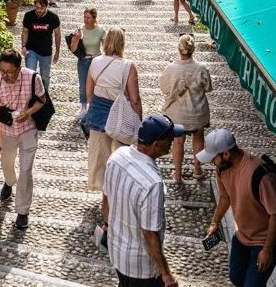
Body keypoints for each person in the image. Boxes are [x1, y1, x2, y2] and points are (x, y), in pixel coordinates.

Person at [101, 115, 184, 287]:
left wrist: (108, 225)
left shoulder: (117, 157)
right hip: (140, 265)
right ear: (156, 144)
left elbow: (106, 199)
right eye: (169, 137)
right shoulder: (152, 183)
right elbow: (150, 233)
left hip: (117, 253)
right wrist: (166, 274)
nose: (172, 140)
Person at [202, 130, 276, 287]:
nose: (211, 162)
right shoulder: (221, 169)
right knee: (236, 277)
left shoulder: (260, 175)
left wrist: (268, 250)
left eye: (213, 158)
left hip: (265, 240)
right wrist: (215, 222)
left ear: (226, 154)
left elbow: (275, 214)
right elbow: (224, 197)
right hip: (243, 235)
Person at [0, 49, 45, 229]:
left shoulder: (32, 78)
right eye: (1, 70)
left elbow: (42, 100)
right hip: (6, 130)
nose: (4, 75)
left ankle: (22, 211)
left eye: (9, 71)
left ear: (19, 68)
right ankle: (8, 181)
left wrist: (28, 112)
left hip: (28, 130)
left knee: (26, 170)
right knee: (6, 162)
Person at [84, 27, 142, 191]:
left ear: (106, 41)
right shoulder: (128, 66)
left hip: (98, 116)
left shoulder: (95, 62)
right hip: (120, 117)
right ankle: (118, 189)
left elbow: (89, 93)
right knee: (122, 156)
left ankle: (104, 193)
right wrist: (138, 120)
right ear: (123, 43)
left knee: (100, 156)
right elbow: (135, 99)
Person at [158, 36, 213, 182]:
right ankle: (197, 169)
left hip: (178, 115)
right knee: (198, 137)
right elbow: (208, 88)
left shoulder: (171, 69)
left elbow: (164, 88)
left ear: (179, 49)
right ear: (193, 50)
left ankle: (177, 174)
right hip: (198, 113)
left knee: (178, 141)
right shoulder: (201, 68)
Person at [20, 0, 61, 91]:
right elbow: (25, 31)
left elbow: (58, 34)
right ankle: (31, 97)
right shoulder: (29, 16)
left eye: (41, 8)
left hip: (46, 52)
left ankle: (44, 98)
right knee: (30, 75)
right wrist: (23, 46)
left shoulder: (53, 17)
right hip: (31, 50)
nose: (39, 10)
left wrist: (57, 51)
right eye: (37, 8)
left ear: (47, 6)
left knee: (44, 78)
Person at [68, 7, 106, 105]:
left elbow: (106, 48)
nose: (85, 20)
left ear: (94, 18)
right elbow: (72, 49)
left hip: (97, 60)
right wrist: (76, 38)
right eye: (84, 17)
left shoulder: (101, 30)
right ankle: (83, 107)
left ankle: (95, 106)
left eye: (88, 18)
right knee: (83, 85)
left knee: (97, 84)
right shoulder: (80, 29)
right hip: (83, 60)